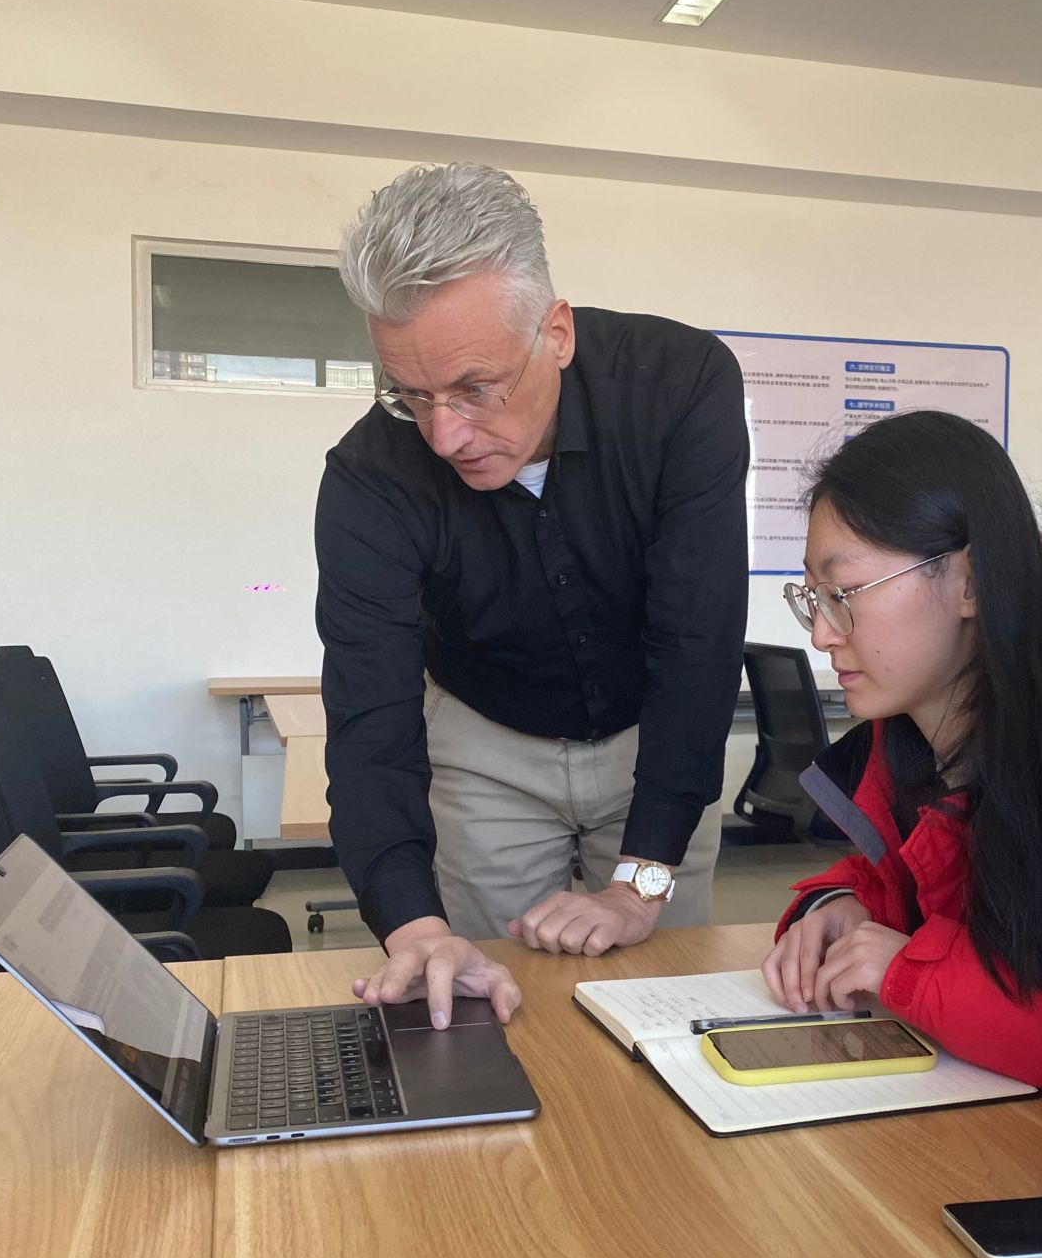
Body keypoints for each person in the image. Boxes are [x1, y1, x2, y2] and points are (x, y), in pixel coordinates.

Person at [316, 163, 748, 1027]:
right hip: (488, 746)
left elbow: (697, 640)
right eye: (411, 395)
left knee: (670, 1005)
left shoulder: (679, 386)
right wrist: (415, 927)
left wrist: (640, 883)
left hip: (656, 734)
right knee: (494, 1004)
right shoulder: (371, 476)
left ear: (556, 332)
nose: (446, 434)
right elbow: (372, 716)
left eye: (475, 389)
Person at [760, 410, 1042, 1096]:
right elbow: (908, 885)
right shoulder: (911, 747)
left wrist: (912, 975)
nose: (822, 634)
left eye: (844, 593)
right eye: (813, 597)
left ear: (971, 582)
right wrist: (836, 904)